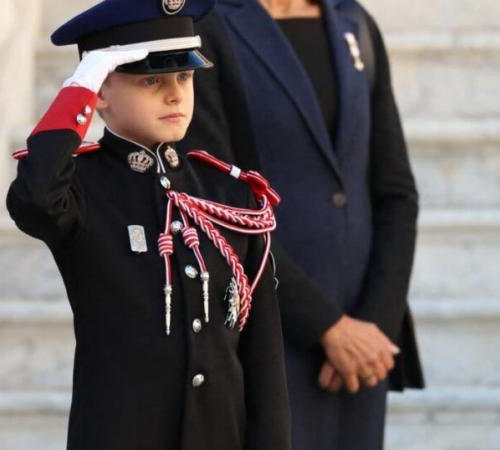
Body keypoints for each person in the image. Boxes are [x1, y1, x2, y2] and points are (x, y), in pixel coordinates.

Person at [6, 1, 291, 448]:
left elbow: (263, 357)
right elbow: (34, 200)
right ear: (102, 92)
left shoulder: (230, 195)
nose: (175, 94)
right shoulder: (81, 188)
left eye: (184, 77)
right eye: (150, 80)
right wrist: (79, 89)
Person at [179, 0, 424, 449]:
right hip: (265, 330)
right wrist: (326, 327)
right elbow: (213, 201)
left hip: (362, 349)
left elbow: (396, 192)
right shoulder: (205, 26)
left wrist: (375, 324)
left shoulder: (355, 22)